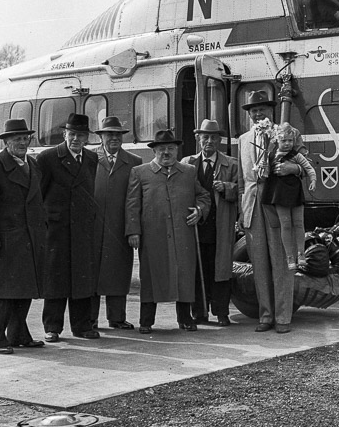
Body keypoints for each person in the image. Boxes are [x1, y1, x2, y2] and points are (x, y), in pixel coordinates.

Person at [237, 90, 309, 334]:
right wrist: (242, 211)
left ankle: (283, 318)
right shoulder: (243, 140)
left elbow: (305, 162)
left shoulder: (285, 134)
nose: (258, 114)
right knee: (259, 265)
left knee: (281, 262)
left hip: (278, 203)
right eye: (253, 111)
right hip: (252, 208)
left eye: (262, 110)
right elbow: (241, 180)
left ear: (272, 112)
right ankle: (265, 316)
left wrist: (294, 169)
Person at [125, 129, 210, 334]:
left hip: (183, 233)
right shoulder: (140, 172)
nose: (166, 153)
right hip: (153, 235)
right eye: (161, 149)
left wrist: (199, 210)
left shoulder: (188, 172)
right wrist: (133, 232)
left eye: (170, 148)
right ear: (154, 151)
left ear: (177, 150)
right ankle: (146, 321)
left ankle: (185, 318)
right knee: (152, 276)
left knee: (183, 275)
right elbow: (132, 204)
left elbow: (204, 196)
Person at [0, 119, 47, 354]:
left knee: (25, 288)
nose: (22, 143)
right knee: (2, 292)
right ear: (6, 142)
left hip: (31, 237)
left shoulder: (33, 165)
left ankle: (18, 335)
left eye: (25, 138)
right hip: (6, 240)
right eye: (16, 139)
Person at [36, 113, 99, 342]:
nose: (75, 139)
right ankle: (52, 327)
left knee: (82, 279)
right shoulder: (48, 158)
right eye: (72, 134)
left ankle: (82, 326)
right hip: (56, 230)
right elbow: (39, 196)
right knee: (56, 280)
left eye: (80, 135)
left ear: (86, 138)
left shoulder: (91, 159)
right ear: (64, 134)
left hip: (82, 230)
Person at [181, 118, 239, 327]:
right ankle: (200, 313)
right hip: (196, 227)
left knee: (221, 271)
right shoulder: (188, 163)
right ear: (198, 139)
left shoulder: (231, 164)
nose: (209, 141)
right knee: (198, 270)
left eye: (213, 137)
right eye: (205, 137)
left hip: (220, 226)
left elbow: (243, 192)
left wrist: (227, 187)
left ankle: (222, 313)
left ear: (219, 140)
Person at [91, 116, 142, 330]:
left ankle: (117, 317)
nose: (113, 138)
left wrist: (132, 230)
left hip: (120, 227)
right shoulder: (89, 158)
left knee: (119, 273)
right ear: (101, 137)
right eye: (109, 134)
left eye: (117, 134)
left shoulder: (134, 162)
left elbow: (135, 199)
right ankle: (89, 319)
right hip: (93, 227)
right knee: (91, 275)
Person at [260, 122, 317, 272]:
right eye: (283, 140)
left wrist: (311, 178)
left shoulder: (296, 154)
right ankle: (290, 257)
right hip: (278, 192)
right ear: (277, 140)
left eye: (290, 141)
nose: (287, 143)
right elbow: (263, 172)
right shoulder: (270, 155)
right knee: (285, 224)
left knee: (298, 223)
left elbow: (309, 167)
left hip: (294, 191)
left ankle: (301, 254)